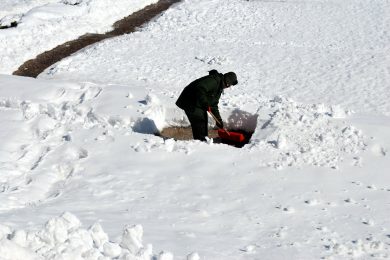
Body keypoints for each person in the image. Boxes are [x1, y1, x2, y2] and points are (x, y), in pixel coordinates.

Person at [176, 70, 238, 141]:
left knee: (204, 119)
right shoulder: (214, 81)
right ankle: (200, 142)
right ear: (227, 82)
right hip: (189, 100)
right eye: (229, 85)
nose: (229, 87)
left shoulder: (219, 87)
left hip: (197, 102)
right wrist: (205, 103)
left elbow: (213, 105)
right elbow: (200, 88)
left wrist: (218, 120)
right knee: (199, 120)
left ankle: (203, 140)